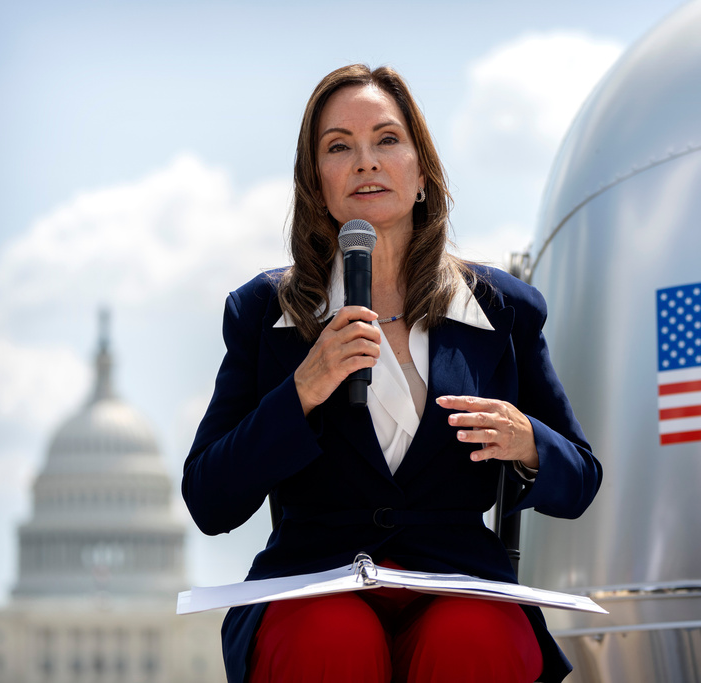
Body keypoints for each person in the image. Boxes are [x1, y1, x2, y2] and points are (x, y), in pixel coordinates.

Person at [182, 64, 602, 683]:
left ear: (423, 172)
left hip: (459, 583)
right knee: (332, 637)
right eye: (339, 147)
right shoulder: (263, 313)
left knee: (474, 638)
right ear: (316, 182)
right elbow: (208, 499)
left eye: (387, 139)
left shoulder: (502, 309)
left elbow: (582, 479)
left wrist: (528, 441)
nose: (366, 162)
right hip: (315, 586)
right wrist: (301, 391)